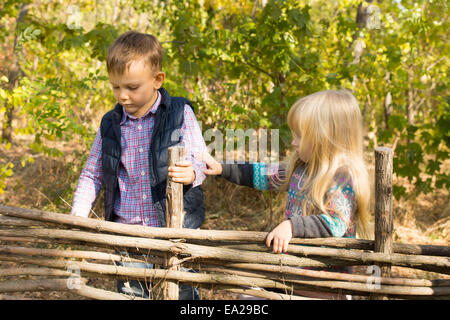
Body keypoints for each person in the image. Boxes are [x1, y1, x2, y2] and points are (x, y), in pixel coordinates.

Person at [71, 30, 207, 299]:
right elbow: (92, 173)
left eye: (132, 87)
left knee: (182, 293)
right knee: (132, 293)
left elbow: (202, 159)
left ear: (157, 80)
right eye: (115, 86)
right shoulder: (111, 124)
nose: (122, 96)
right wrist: (77, 214)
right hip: (128, 233)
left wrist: (192, 171)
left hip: (175, 230)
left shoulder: (180, 114)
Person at [202, 89, 371, 299]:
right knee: (247, 296)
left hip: (323, 286)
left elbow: (336, 223)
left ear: (324, 139)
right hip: (291, 275)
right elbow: (262, 174)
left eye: (300, 136)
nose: (294, 142)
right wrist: (222, 169)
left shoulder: (343, 177)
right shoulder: (300, 169)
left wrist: (292, 225)